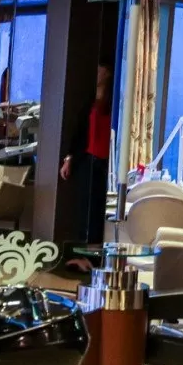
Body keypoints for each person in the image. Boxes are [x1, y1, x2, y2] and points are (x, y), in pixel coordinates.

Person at [60, 63, 112, 244]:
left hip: (107, 161)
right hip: (88, 158)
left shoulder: (114, 101)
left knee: (100, 207)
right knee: (84, 206)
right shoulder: (89, 101)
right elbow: (78, 131)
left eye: (100, 70)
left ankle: (96, 247)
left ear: (108, 73)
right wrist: (69, 158)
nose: (97, 74)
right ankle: (83, 247)